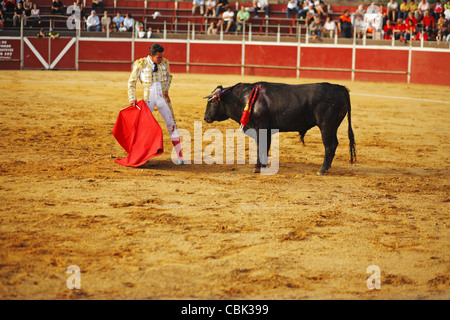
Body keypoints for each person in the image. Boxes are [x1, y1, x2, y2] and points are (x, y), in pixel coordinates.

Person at [127, 43, 185, 165]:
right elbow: (131, 82)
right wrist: (132, 98)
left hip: (163, 97)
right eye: (159, 57)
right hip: (148, 98)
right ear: (151, 56)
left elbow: (169, 77)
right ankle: (140, 157)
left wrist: (166, 89)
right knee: (142, 127)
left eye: (162, 56)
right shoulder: (141, 64)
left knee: (172, 125)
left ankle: (180, 156)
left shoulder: (165, 63)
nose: (161, 59)